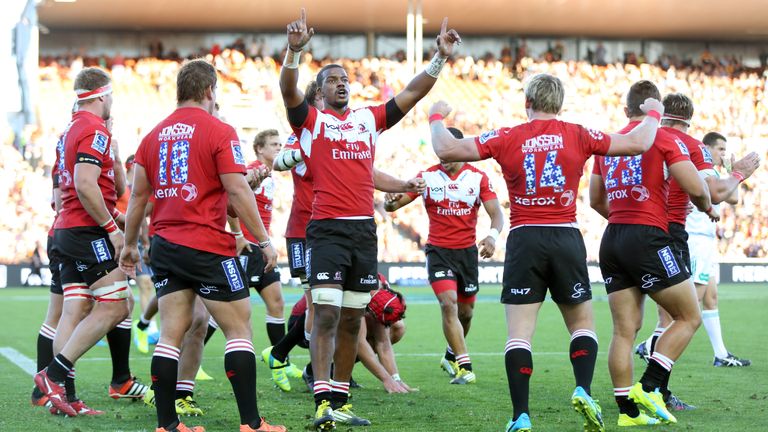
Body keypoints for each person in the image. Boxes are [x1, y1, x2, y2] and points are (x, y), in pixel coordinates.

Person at [427, 73, 665, 432]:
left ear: (527, 104)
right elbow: (637, 143)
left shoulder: (506, 136)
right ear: (560, 104)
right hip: (566, 236)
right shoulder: (579, 133)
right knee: (582, 325)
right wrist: (654, 114)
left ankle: (520, 415)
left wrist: (435, 116)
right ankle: (583, 389)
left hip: (525, 238)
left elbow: (445, 149)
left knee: (519, 335)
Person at [279, 8, 460, 430]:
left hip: (363, 231)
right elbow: (289, 89)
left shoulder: (366, 120)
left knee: (353, 319)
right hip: (325, 230)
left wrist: (440, 58)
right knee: (324, 314)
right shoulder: (310, 121)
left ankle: (340, 398)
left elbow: (412, 95)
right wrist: (294, 52)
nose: (342, 84)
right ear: (320, 92)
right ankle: (322, 397)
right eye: (333, 80)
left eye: (346, 79)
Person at [119, 59, 284, 432]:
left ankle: (168, 425)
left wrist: (130, 245)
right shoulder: (219, 130)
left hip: (164, 245)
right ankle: (253, 424)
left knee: (171, 334)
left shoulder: (152, 136)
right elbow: (237, 190)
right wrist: (263, 240)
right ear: (210, 91)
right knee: (239, 330)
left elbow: (138, 198)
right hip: (208, 246)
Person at [589, 81, 718, 427]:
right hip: (648, 236)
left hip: (612, 237)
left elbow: (595, 200)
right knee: (689, 316)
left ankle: (627, 415)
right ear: (656, 110)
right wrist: (708, 207)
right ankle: (649, 386)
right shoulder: (664, 138)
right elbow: (697, 189)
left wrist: (623, 221)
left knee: (624, 331)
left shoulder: (609, 143)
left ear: (626, 108)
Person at [633, 95, 761, 409]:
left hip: (633, 232)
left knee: (637, 322)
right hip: (676, 237)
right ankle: (651, 388)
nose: (719, 152)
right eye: (718, 148)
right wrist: (739, 173)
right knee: (685, 316)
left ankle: (636, 394)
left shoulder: (642, 138)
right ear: (690, 116)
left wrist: (711, 201)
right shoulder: (690, 147)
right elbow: (716, 194)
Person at [35, 67, 146, 418]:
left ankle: (63, 395)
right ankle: (53, 377)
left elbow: (67, 188)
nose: (112, 102)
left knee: (75, 308)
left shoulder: (68, 130)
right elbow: (85, 184)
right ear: (101, 95)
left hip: (65, 228)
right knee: (118, 304)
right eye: (110, 96)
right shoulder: (94, 129)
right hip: (85, 230)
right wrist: (112, 228)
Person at [384, 127, 504, 385]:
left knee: (466, 313)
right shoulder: (426, 177)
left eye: (447, 148)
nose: (442, 154)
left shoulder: (478, 177)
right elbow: (394, 204)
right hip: (439, 252)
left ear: (460, 149)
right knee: (448, 303)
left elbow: (497, 213)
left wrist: (492, 236)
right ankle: (465, 366)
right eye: (439, 149)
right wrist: (389, 201)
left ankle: (450, 355)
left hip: (467, 254)